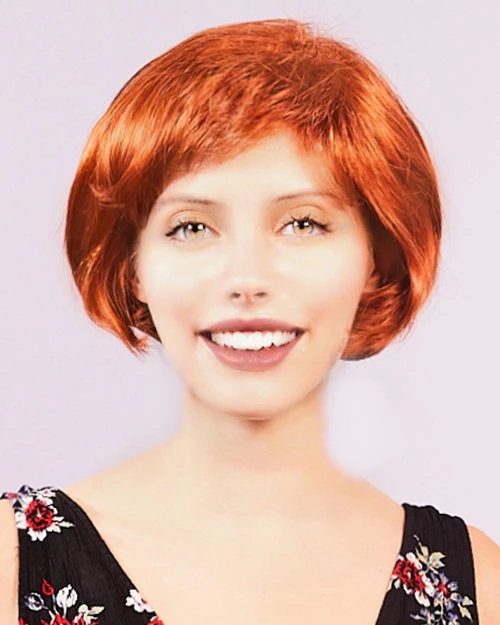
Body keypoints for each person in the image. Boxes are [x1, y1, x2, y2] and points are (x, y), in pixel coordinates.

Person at [1, 17, 498, 625]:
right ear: (132, 269)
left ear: (376, 259)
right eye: (191, 227)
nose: (247, 278)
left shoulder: (478, 583)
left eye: (302, 223)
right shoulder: (12, 565)